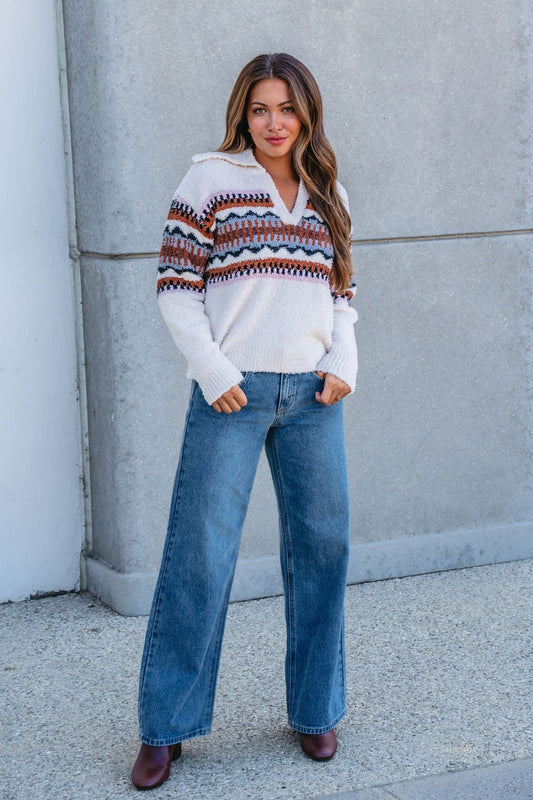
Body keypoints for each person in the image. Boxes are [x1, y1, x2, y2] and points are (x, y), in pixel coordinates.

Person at [131, 52, 358, 790]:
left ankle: (316, 710)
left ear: (307, 113)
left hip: (313, 399)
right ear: (243, 113)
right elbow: (175, 285)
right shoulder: (209, 180)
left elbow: (342, 295)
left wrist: (342, 362)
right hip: (231, 393)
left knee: (322, 550)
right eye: (260, 109)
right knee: (199, 556)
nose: (274, 123)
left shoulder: (328, 190)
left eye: (287, 108)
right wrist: (214, 371)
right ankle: (165, 728)